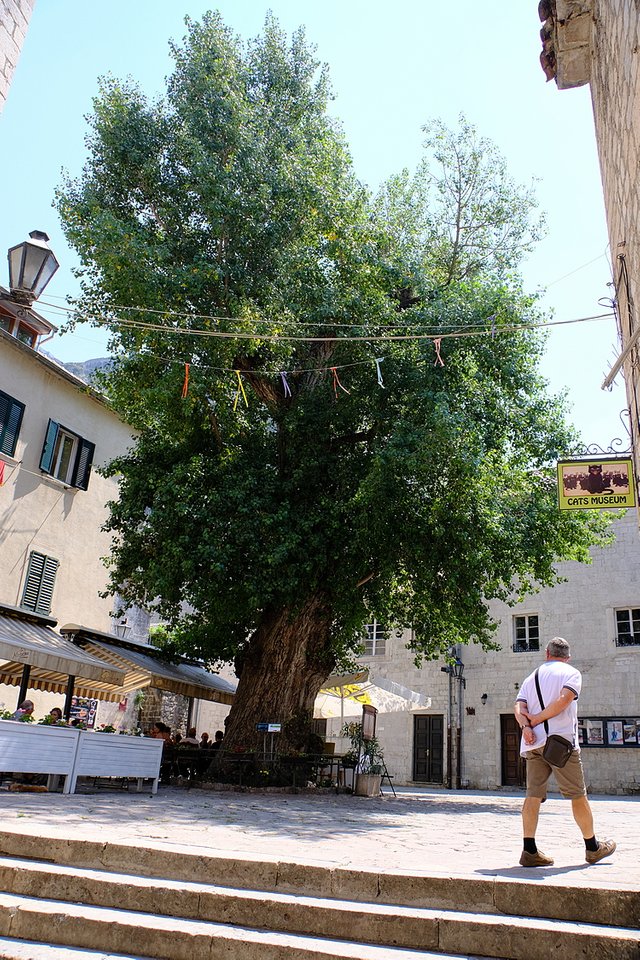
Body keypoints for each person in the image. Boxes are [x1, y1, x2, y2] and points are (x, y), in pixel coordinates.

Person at [514, 636, 616, 867]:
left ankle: (529, 850)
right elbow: (564, 700)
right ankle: (593, 848)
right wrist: (539, 719)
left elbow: (519, 707)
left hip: (533, 744)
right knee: (577, 795)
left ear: (547, 654)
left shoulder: (531, 677)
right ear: (567, 658)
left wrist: (526, 726)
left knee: (533, 795)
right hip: (560, 743)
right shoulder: (571, 673)